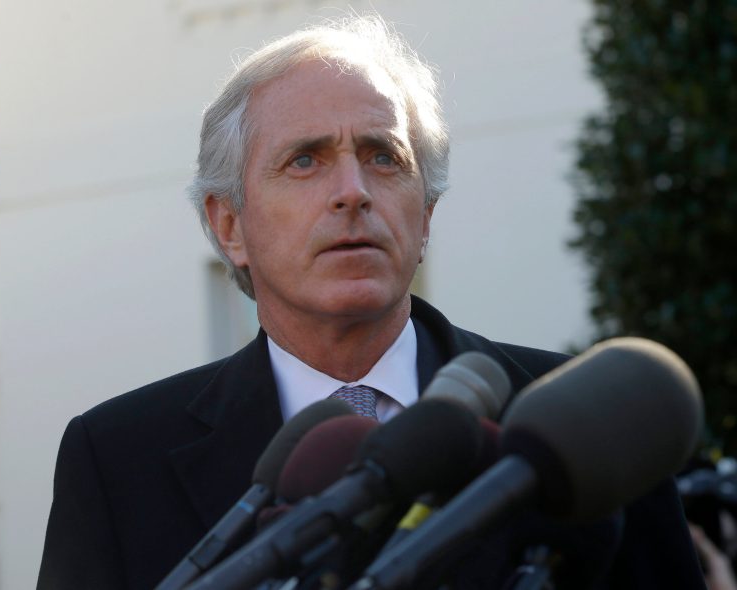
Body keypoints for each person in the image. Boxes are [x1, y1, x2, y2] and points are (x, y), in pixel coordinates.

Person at [37, 14, 706, 590]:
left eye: (384, 156)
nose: (352, 190)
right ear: (229, 225)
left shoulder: (592, 424)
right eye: (306, 160)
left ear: (426, 215)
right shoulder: (118, 460)